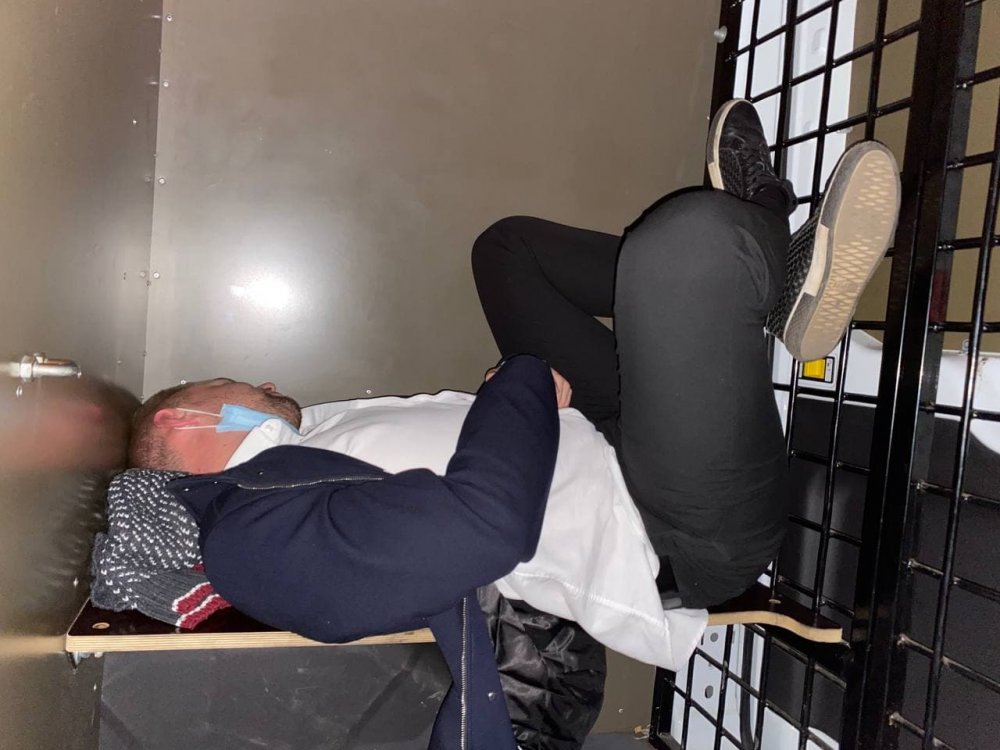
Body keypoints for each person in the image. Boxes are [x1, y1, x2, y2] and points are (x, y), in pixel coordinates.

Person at [118, 101, 900, 749]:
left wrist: (524, 399)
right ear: (189, 416)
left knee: (507, 252)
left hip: (593, 434)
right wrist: (518, 385)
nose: (263, 384)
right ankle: (761, 232)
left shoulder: (293, 445)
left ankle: (768, 271)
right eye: (234, 385)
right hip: (663, 523)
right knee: (691, 247)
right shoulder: (247, 535)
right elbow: (483, 529)